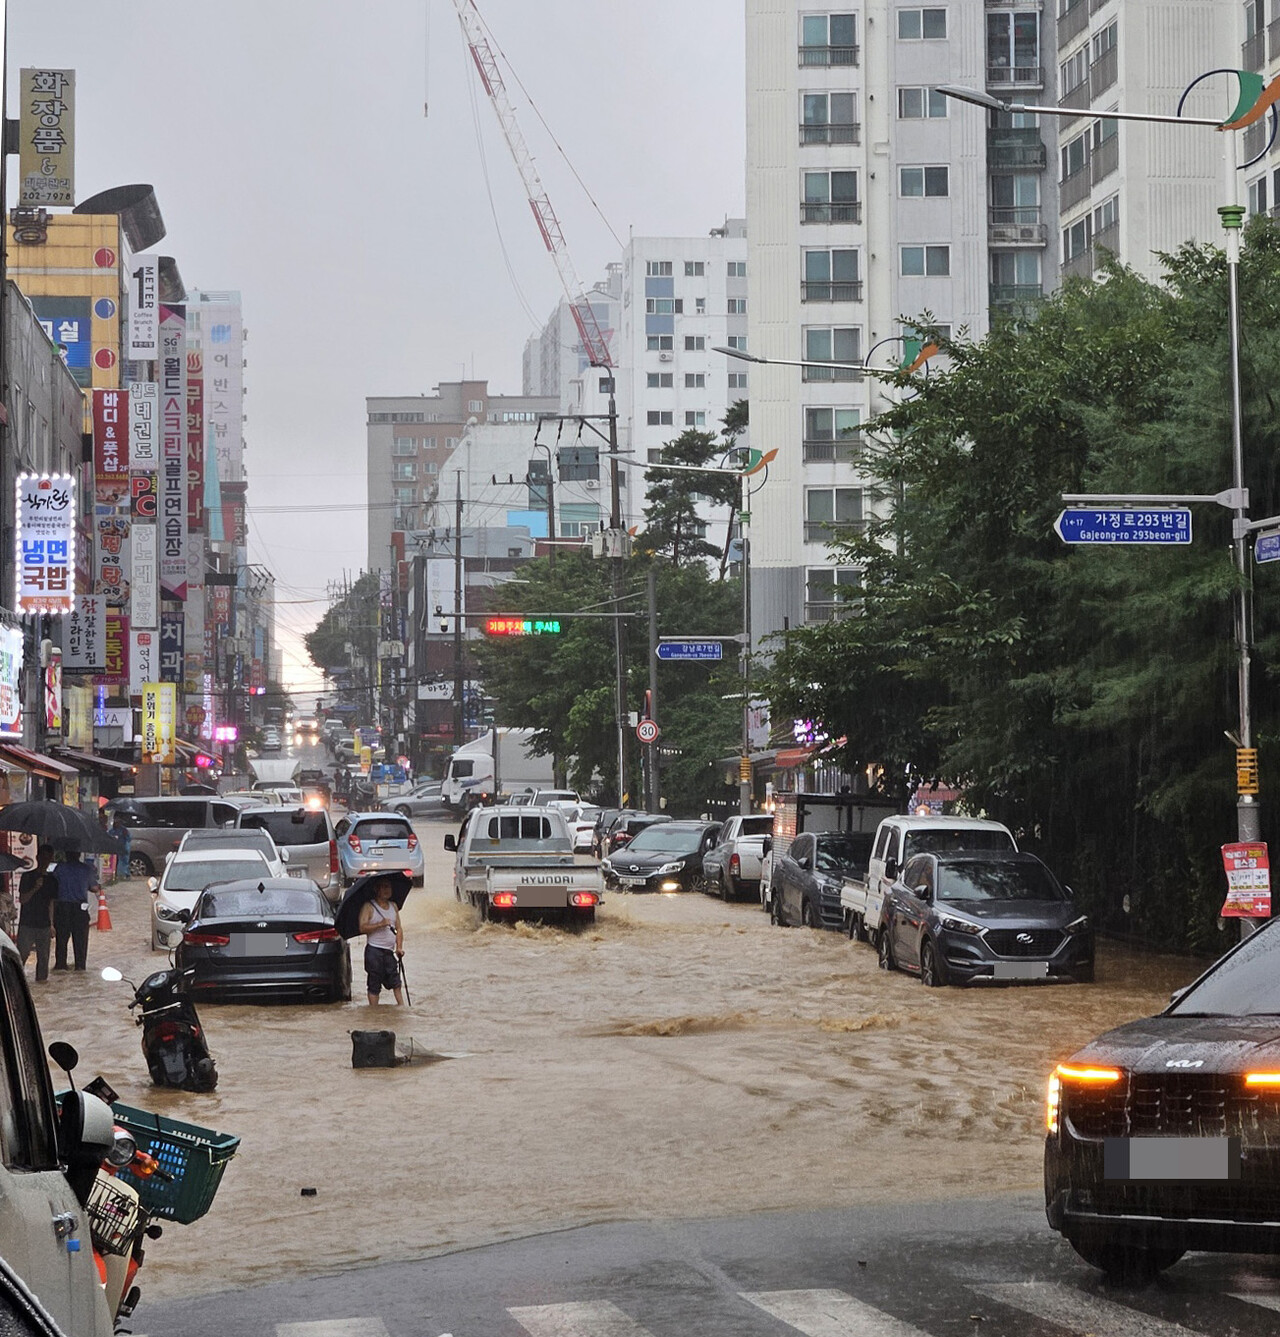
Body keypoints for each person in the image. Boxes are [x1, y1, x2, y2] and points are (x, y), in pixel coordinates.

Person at [357, 876, 404, 1005]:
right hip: (374, 951)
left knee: (396, 981)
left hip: (389, 951)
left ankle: (401, 1006)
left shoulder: (393, 906)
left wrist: (399, 947)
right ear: (376, 889)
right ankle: (374, 1011)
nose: (387, 890)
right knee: (374, 983)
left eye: (388, 887)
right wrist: (379, 924)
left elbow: (399, 929)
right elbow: (362, 927)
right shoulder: (369, 906)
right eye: (383, 887)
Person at [52, 850, 100, 973]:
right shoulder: (86, 869)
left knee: (61, 940)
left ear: (66, 854)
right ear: (79, 854)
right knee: (80, 941)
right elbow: (94, 888)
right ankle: (80, 967)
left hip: (62, 908)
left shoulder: (60, 868)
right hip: (80, 909)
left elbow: (54, 886)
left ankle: (61, 966)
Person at [16, 846, 56, 982]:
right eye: (43, 857)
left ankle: (41, 985)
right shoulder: (27, 876)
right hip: (27, 924)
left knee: (44, 959)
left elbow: (51, 903)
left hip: (44, 925)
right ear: (38, 857)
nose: (45, 860)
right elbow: (23, 899)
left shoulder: (52, 880)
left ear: (51, 859)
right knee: (21, 956)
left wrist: (51, 924)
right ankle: (16, 983)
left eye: (48, 858)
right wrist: (35, 888)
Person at [108, 811, 132, 881]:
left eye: (118, 822)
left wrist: (126, 834)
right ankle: (116, 875)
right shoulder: (112, 831)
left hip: (123, 848)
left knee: (124, 861)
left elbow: (129, 838)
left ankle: (125, 875)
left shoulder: (124, 830)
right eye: (115, 822)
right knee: (114, 862)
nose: (117, 823)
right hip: (114, 848)